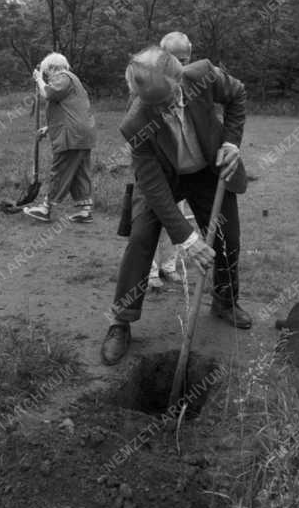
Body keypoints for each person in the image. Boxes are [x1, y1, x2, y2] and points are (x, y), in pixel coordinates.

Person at [100, 46, 251, 367]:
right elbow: (154, 188)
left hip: (206, 170)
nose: (162, 110)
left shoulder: (204, 74)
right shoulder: (135, 121)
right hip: (162, 179)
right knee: (141, 239)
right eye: (152, 104)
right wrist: (187, 237)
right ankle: (121, 321)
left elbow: (238, 95)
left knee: (228, 239)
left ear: (180, 78)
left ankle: (225, 301)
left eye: (167, 101)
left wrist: (231, 142)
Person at [23, 53, 97, 223]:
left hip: (71, 135)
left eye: (46, 72)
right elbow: (71, 109)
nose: (47, 76)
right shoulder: (73, 81)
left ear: (52, 68)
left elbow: (48, 94)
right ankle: (85, 210)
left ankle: (45, 208)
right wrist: (49, 128)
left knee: (60, 168)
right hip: (82, 133)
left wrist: (39, 79)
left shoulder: (63, 78)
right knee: (79, 172)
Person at [147, 31, 196, 290]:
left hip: (182, 166)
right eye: (175, 59)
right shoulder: (150, 85)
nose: (181, 66)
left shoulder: (193, 84)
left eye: (185, 59)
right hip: (155, 167)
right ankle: (150, 270)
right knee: (154, 217)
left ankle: (169, 265)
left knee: (178, 215)